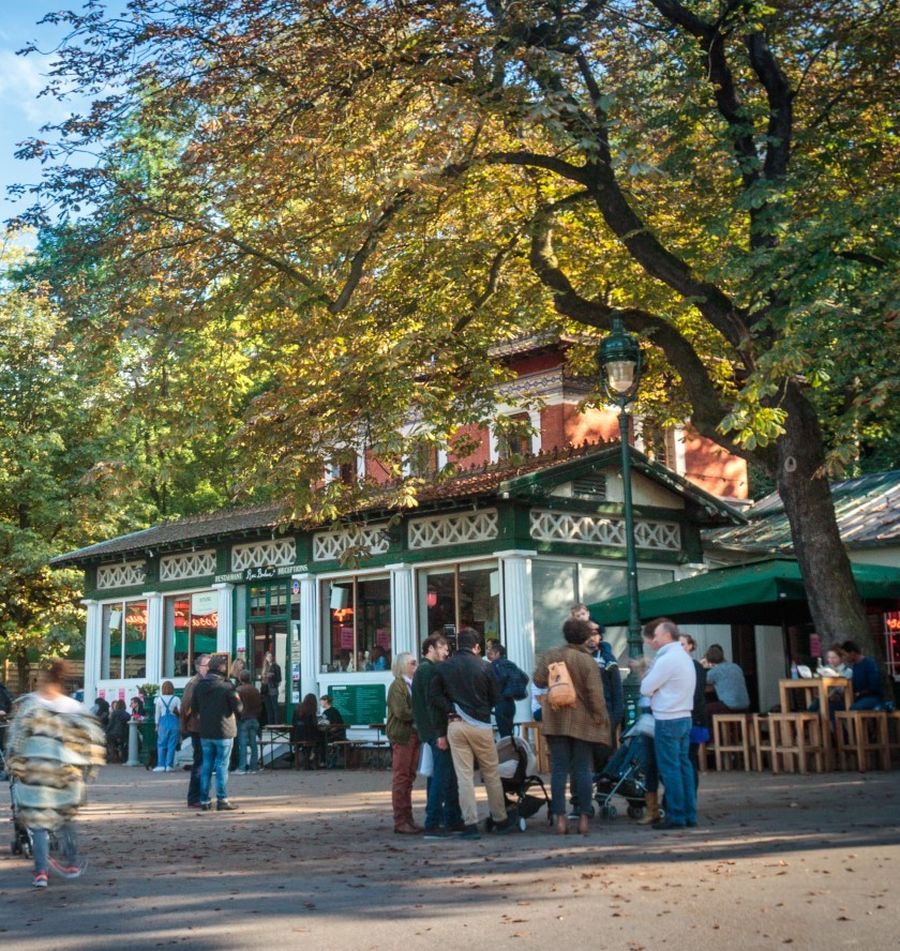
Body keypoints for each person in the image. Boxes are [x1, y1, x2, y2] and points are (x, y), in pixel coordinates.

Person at [6, 659, 106, 888]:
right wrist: (89, 769)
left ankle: (41, 872)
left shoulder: (30, 706)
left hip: (36, 773)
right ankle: (71, 863)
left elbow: (16, 740)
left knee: (39, 823)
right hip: (66, 773)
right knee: (65, 819)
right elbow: (94, 737)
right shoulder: (73, 707)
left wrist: (14, 765)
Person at [429, 627, 514, 839]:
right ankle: (500, 818)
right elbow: (496, 696)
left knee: (464, 776)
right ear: (477, 647)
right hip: (482, 725)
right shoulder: (486, 667)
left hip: (456, 724)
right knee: (491, 773)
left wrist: (451, 707)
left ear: (457, 645)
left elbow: (434, 695)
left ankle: (470, 824)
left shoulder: (444, 667)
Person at [533, 618, 611, 836]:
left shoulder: (551, 655)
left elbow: (538, 681)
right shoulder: (587, 661)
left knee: (558, 770)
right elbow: (596, 695)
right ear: (585, 637)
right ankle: (584, 818)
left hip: (555, 719)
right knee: (583, 769)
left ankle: (560, 818)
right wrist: (600, 717)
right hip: (582, 722)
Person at [640, 618, 697, 831]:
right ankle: (689, 813)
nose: (653, 639)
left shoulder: (667, 659)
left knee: (670, 769)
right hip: (684, 716)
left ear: (666, 635)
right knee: (684, 767)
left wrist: (653, 688)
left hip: (667, 718)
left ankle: (676, 815)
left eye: (656, 635)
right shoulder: (683, 656)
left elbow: (646, 687)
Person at [411, 633, 463, 839]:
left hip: (429, 731)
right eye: (442, 648)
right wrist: (440, 733)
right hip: (436, 731)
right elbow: (432, 705)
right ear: (431, 648)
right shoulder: (429, 671)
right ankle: (435, 821)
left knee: (440, 775)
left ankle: (447, 818)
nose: (446, 652)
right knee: (443, 776)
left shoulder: (424, 670)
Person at [193, 654, 242, 811]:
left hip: (206, 731)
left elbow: (194, 710)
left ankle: (204, 800)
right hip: (224, 730)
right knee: (222, 765)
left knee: (206, 765)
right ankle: (222, 799)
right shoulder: (227, 687)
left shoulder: (199, 686)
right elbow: (239, 708)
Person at [386, 652, 422, 834]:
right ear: (403, 666)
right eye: (412, 663)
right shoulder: (397, 686)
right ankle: (401, 820)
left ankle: (408, 817)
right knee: (401, 777)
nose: (415, 666)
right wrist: (420, 711)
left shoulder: (410, 685)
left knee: (409, 777)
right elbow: (401, 711)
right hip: (403, 735)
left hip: (413, 733)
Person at [678, 633, 709, 790]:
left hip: (694, 718)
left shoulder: (695, 666)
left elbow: (696, 694)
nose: (679, 648)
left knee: (689, 758)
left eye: (682, 644)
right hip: (686, 717)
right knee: (685, 758)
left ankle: (690, 796)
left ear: (690, 646)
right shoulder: (678, 665)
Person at [180, 653, 210, 808]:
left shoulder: (206, 682)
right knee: (200, 762)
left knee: (205, 762)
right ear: (199, 667)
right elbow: (186, 706)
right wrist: (186, 724)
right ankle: (194, 797)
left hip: (205, 727)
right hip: (197, 727)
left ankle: (202, 795)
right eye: (207, 665)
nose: (210, 668)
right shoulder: (194, 683)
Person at [485, 639, 528, 738]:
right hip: (511, 703)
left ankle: (508, 752)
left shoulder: (494, 666)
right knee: (509, 733)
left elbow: (492, 683)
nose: (488, 655)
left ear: (498, 654)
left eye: (491, 653)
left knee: (504, 735)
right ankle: (512, 751)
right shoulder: (510, 664)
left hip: (500, 704)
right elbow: (525, 677)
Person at [703, 644, 750, 716]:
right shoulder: (735, 666)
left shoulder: (715, 671)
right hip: (745, 706)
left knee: (702, 709)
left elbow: (700, 681)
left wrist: (701, 665)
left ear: (710, 661)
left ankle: (713, 727)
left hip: (729, 707)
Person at [841, 640, 884, 710]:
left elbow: (874, 686)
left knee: (854, 708)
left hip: (873, 697)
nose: (844, 657)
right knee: (836, 705)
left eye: (845, 655)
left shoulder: (869, 663)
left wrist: (859, 693)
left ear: (852, 653)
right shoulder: (855, 666)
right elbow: (855, 685)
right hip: (860, 698)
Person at [235, 671, 262, 774]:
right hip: (254, 718)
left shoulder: (238, 690)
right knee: (253, 744)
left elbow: (237, 706)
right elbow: (260, 705)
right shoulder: (255, 690)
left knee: (242, 745)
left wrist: (238, 717)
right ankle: (253, 767)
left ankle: (242, 767)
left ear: (241, 679)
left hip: (244, 719)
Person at [153, 681, 181, 772]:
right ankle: (169, 765)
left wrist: (157, 725)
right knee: (172, 745)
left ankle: (161, 765)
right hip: (174, 722)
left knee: (161, 744)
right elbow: (180, 712)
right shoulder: (176, 699)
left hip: (163, 723)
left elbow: (157, 714)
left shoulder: (159, 699)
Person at [291, 693, 323, 768]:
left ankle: (303, 761)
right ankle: (313, 760)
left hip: (296, 735)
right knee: (320, 739)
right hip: (308, 735)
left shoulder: (298, 708)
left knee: (307, 743)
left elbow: (293, 722)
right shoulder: (311, 709)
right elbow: (313, 724)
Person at [261, 650, 282, 725]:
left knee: (275, 707)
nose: (269, 658)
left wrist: (272, 677)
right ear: (266, 658)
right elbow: (262, 678)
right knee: (268, 708)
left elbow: (279, 679)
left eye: (271, 656)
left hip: (273, 688)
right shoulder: (264, 667)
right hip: (266, 689)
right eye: (268, 656)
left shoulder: (276, 667)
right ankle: (270, 724)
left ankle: (277, 724)